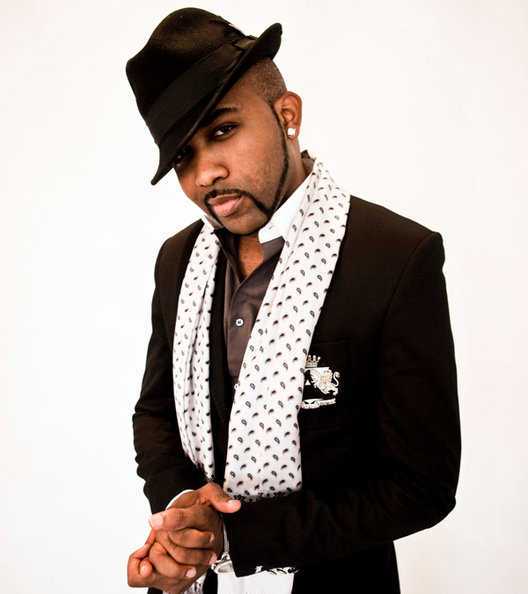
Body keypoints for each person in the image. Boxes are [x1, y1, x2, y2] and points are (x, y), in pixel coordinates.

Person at [125, 8, 462, 594]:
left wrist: (236, 537)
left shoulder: (395, 257)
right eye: (183, 156)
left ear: (287, 115)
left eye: (222, 131)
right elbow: (155, 413)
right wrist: (183, 521)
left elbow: (421, 485)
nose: (205, 174)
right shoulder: (177, 259)